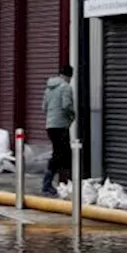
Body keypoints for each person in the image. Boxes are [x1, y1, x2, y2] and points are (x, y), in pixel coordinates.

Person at [42, 64, 77, 195]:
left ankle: (63, 181)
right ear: (69, 76)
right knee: (61, 154)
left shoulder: (49, 88)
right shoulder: (66, 87)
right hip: (61, 125)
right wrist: (72, 115)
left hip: (50, 125)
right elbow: (66, 105)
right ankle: (48, 184)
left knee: (61, 153)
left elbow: (44, 107)